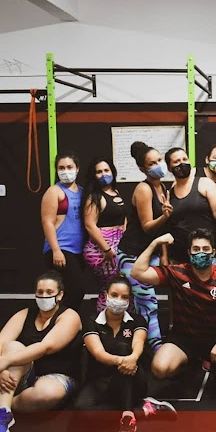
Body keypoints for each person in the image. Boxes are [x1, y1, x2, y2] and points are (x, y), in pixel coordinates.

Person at [131, 229, 216, 386]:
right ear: (189, 252)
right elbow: (137, 273)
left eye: (205, 249)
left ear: (213, 252)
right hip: (183, 338)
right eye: (196, 249)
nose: (201, 253)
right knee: (160, 369)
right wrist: (155, 243)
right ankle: (187, 365)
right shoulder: (176, 272)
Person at [74, 276, 176, 432]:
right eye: (114, 295)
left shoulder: (137, 320)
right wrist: (122, 362)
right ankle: (143, 409)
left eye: (124, 297)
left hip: (132, 378)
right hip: (101, 381)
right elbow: (98, 353)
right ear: (106, 295)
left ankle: (128, 418)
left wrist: (132, 358)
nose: (118, 300)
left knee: (123, 347)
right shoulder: (91, 321)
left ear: (129, 300)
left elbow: (138, 343)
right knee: (82, 412)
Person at [0, 271, 82, 432]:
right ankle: (4, 412)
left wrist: (5, 361)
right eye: (40, 292)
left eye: (49, 292)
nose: (44, 296)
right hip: (21, 375)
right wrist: (1, 369)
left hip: (58, 376)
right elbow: (2, 342)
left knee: (47, 393)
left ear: (60, 295)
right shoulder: (24, 314)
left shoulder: (69, 316)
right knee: (14, 346)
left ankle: (8, 402)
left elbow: (46, 346)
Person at [117, 141, 172, 352]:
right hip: (132, 254)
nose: (158, 165)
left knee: (142, 304)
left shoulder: (162, 187)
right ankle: (156, 349)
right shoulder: (143, 189)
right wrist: (165, 216)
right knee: (149, 303)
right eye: (152, 163)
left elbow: (162, 230)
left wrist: (164, 254)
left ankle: (140, 346)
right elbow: (148, 227)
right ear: (142, 169)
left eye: (159, 160)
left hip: (151, 253)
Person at [165, 147, 216, 266]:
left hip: (207, 256)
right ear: (169, 167)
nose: (182, 163)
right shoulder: (171, 191)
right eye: (177, 161)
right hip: (180, 257)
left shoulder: (205, 183)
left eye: (185, 159)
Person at [41, 152, 85, 311]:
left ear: (77, 168)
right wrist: (56, 250)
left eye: (69, 167)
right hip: (61, 249)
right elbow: (47, 222)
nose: (66, 171)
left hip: (79, 250)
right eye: (61, 168)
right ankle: (61, 321)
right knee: (74, 290)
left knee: (74, 292)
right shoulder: (54, 191)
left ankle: (70, 322)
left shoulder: (83, 191)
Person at [82, 156, 126, 312]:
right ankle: (103, 321)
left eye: (106, 170)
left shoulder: (116, 192)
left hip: (117, 245)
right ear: (94, 175)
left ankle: (121, 322)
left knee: (119, 288)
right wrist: (107, 249)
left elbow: (122, 216)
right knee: (109, 288)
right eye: (99, 172)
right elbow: (89, 225)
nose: (103, 174)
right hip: (101, 250)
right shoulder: (94, 197)